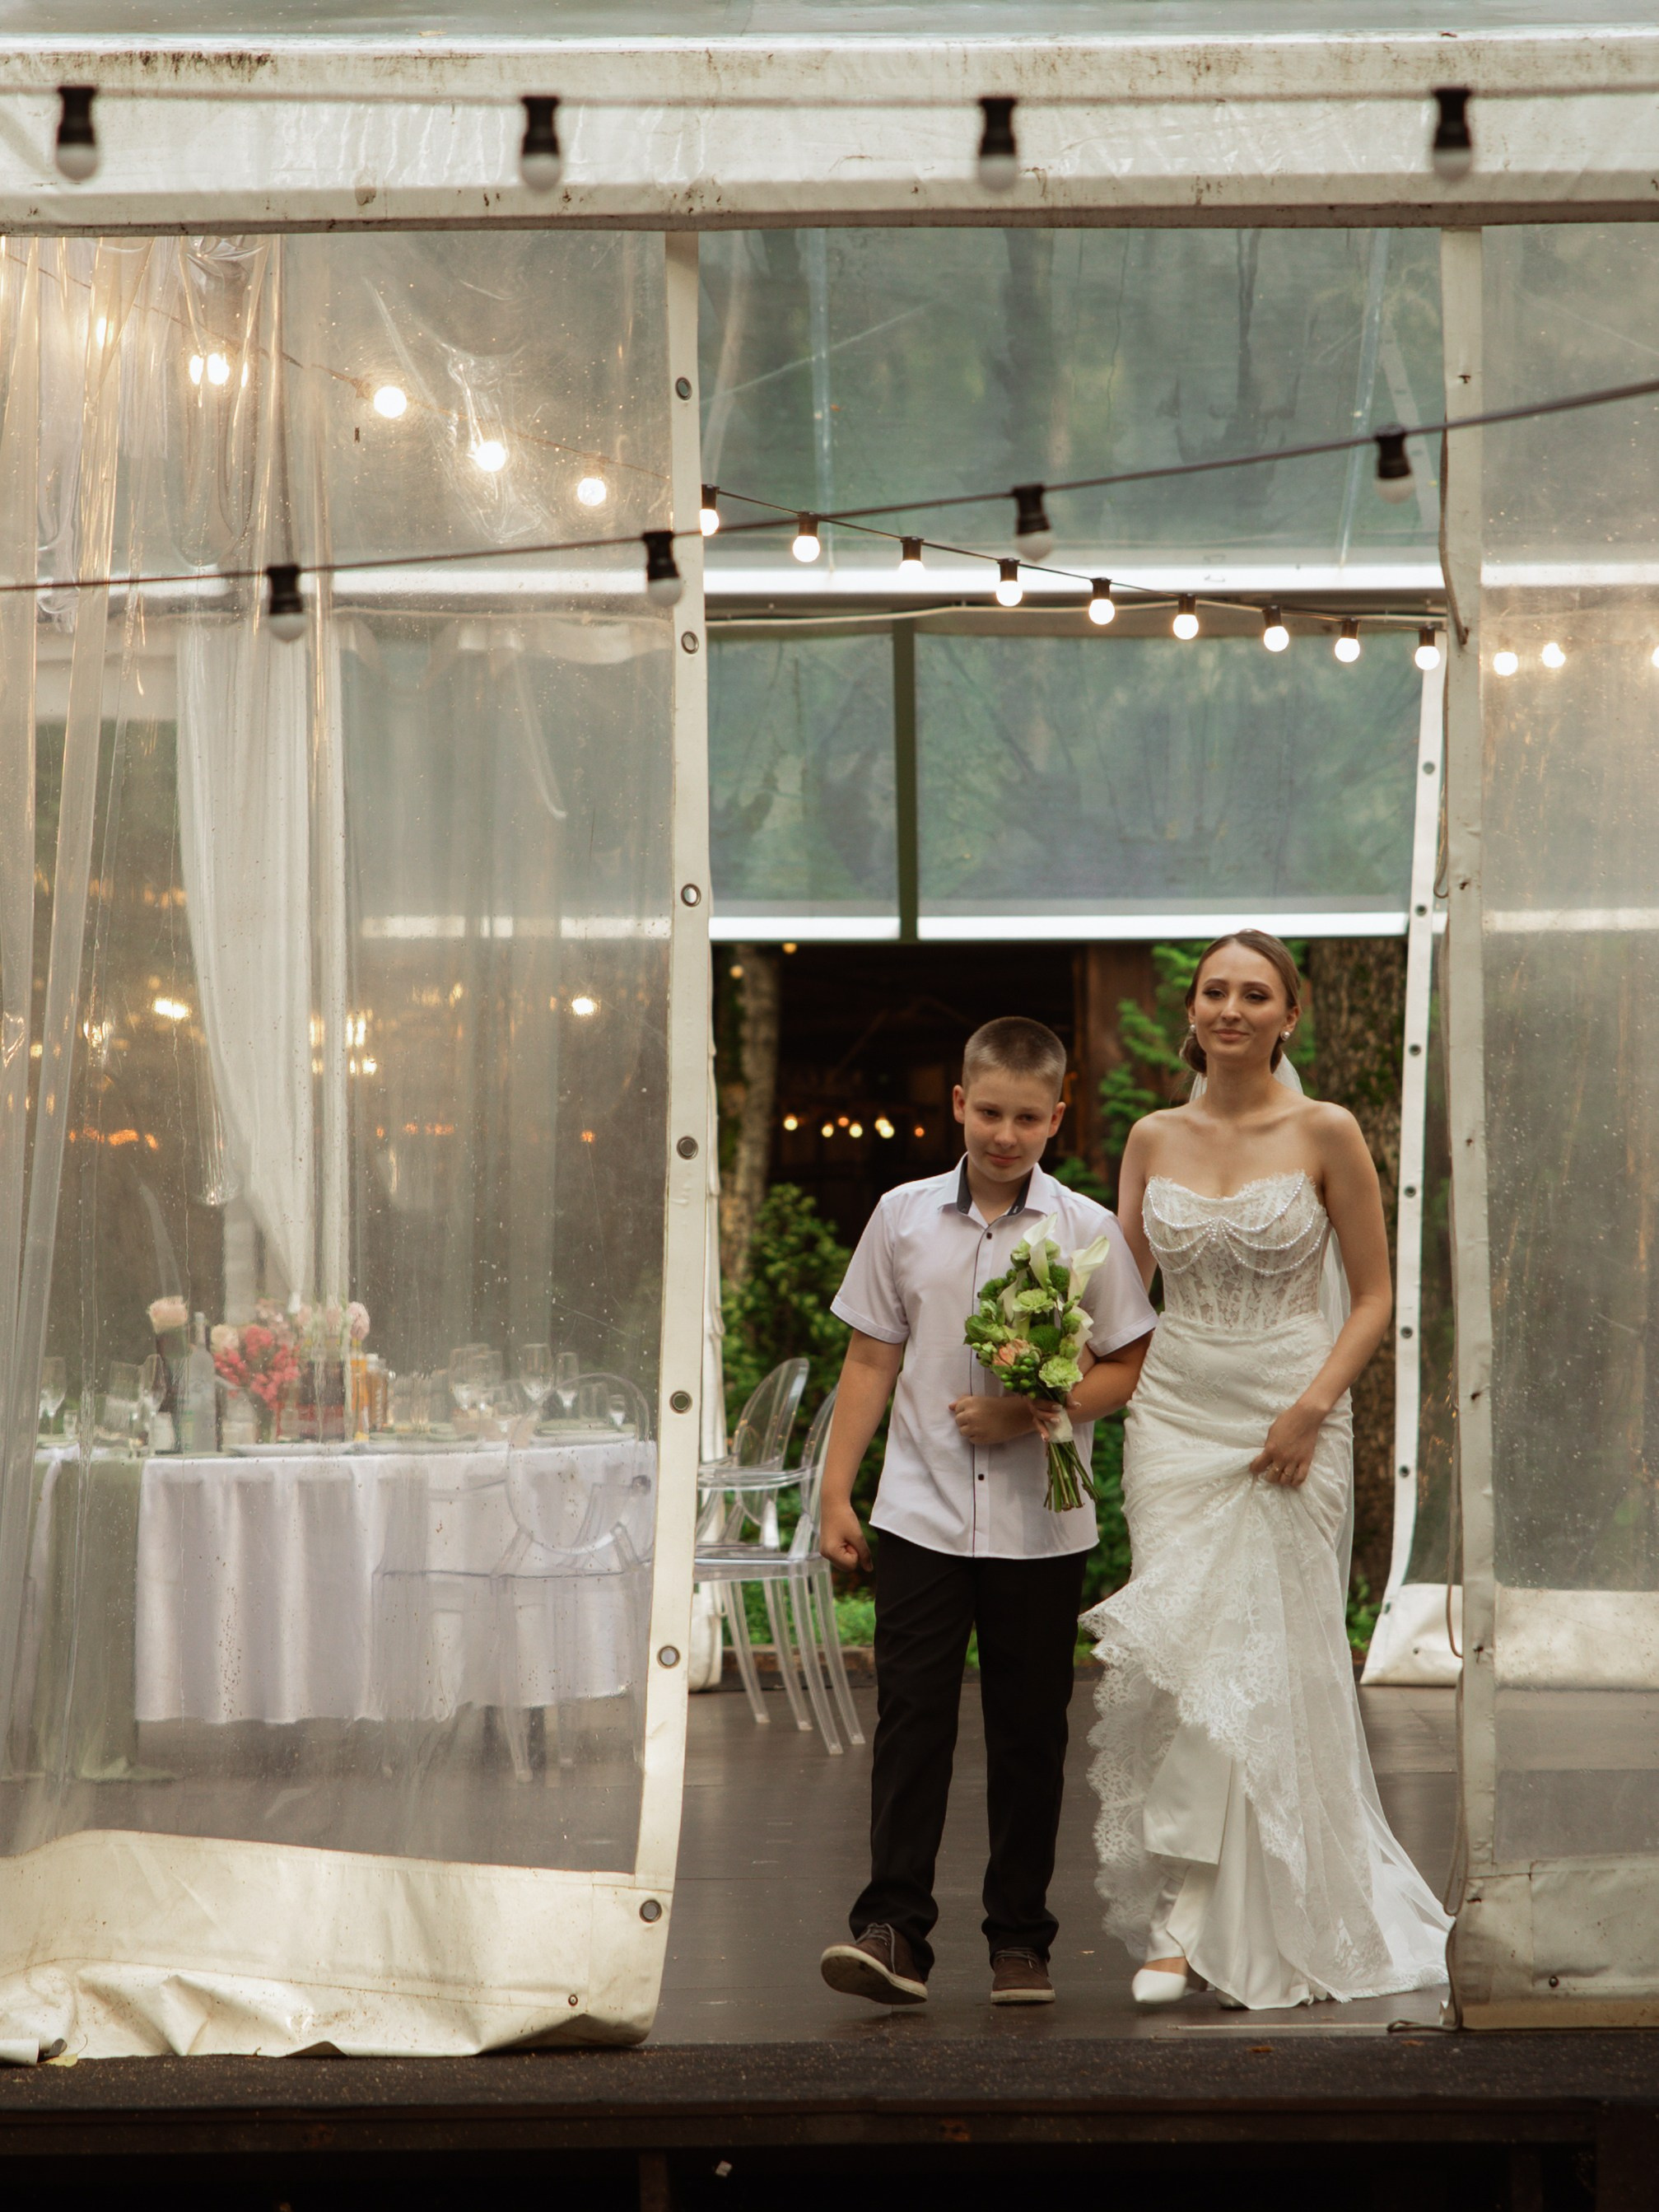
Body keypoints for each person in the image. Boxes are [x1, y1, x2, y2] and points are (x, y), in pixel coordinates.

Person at [1083, 931, 1451, 2011]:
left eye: (1255, 993)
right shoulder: (1151, 1135)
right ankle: (1174, 1917)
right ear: (1192, 1011)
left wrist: (1310, 1405)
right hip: (1174, 1413)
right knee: (1187, 1661)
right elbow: (1118, 1295)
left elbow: (1375, 1294)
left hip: (1291, 1411)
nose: (1230, 1008)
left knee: (1272, 1661)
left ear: (1287, 1015)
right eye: (1213, 991)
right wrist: (1038, 1366)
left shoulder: (1325, 1129)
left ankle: (1266, 1907)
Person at [817, 1016, 1156, 2009]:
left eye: (1026, 1116)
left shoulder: (1085, 1230)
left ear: (1057, 1115)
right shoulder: (901, 1216)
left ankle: (1020, 1937)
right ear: (958, 1104)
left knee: (1026, 1729)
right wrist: (837, 1489)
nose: (1005, 1134)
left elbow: (1126, 1361)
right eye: (988, 1112)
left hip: (1038, 1525)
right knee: (911, 1718)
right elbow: (869, 1355)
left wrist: (1033, 1410)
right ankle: (893, 1931)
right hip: (916, 1512)